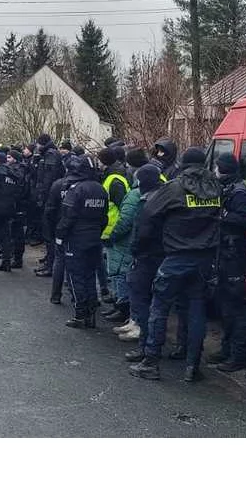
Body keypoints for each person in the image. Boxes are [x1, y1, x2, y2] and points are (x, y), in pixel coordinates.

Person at [129, 148, 220, 383]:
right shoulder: (216, 188)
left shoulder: (174, 187)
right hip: (205, 259)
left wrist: (141, 247)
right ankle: (192, 366)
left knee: (159, 308)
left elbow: (148, 215)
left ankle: (151, 361)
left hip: (176, 257)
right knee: (196, 311)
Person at [208, 152, 246, 373]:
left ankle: (239, 355)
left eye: (217, 167)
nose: (215, 171)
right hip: (224, 253)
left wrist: (222, 216)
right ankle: (227, 348)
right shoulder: (228, 188)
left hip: (234, 255)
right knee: (225, 305)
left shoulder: (239, 192)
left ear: (223, 169)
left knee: (235, 306)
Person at [55, 154, 108, 328]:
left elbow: (68, 216)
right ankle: (91, 313)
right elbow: (104, 217)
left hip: (76, 239)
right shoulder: (100, 189)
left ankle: (80, 313)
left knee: (76, 277)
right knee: (90, 276)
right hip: (94, 238)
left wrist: (60, 236)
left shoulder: (75, 189)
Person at [120, 164, 164, 355]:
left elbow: (142, 232)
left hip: (147, 257)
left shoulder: (147, 201)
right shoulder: (166, 196)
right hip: (163, 255)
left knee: (143, 300)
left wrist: (135, 252)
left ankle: (146, 346)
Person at [107, 163, 152, 343]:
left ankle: (137, 324)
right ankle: (134, 321)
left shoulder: (134, 195)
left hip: (131, 244)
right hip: (147, 246)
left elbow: (125, 220)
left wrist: (113, 235)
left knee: (132, 283)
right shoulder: (162, 190)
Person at [99, 147, 133, 322]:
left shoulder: (114, 180)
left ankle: (122, 307)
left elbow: (122, 207)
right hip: (111, 229)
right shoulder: (114, 175)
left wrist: (116, 230)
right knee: (114, 271)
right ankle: (119, 302)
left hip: (115, 231)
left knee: (118, 272)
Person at [44, 156, 81, 303]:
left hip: (61, 227)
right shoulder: (86, 186)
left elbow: (50, 210)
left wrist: (52, 229)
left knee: (60, 261)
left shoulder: (58, 184)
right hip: (79, 229)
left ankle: (56, 295)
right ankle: (77, 295)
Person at [32, 135, 65, 276]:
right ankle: (49, 261)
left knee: (49, 234)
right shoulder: (47, 154)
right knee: (48, 234)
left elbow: (48, 179)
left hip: (50, 199)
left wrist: (42, 197)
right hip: (49, 198)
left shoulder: (50, 155)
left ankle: (51, 265)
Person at [6, 150, 30, 269]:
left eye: (9, 158)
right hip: (14, 204)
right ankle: (13, 256)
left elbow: (19, 185)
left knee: (17, 233)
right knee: (13, 231)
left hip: (19, 205)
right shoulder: (17, 169)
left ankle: (17, 258)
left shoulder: (19, 169)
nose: (7, 160)